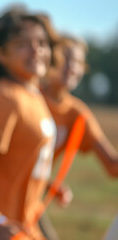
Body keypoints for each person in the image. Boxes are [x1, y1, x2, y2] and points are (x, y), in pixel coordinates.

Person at [0, 7, 58, 240]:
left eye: (42, 42)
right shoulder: (7, 98)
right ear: (1, 54)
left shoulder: (34, 95)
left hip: (26, 229)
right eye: (23, 44)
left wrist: (45, 185)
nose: (36, 50)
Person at [40, 35, 118, 239]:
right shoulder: (27, 98)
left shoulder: (78, 114)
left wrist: (48, 184)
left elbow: (112, 165)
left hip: (30, 203)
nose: (71, 67)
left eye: (78, 62)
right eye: (65, 58)